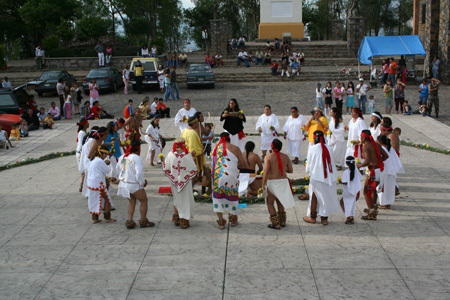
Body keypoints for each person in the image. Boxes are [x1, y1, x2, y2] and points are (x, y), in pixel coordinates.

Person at [116, 140, 155, 229]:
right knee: (144, 201)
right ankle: (143, 220)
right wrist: (142, 183)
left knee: (131, 201)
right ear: (139, 149)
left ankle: (129, 221)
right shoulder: (136, 158)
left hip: (124, 184)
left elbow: (117, 169)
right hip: (133, 184)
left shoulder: (123, 157)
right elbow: (139, 173)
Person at [303, 131, 339, 225]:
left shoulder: (312, 148)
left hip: (317, 176)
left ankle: (312, 217)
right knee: (325, 197)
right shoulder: (329, 148)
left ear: (315, 139)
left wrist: (307, 168)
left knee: (314, 195)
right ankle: (324, 219)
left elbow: (309, 164)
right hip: (330, 177)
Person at [212, 132, 246, 229]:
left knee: (218, 198)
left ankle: (221, 222)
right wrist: (234, 166)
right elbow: (242, 164)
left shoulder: (215, 149)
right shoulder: (235, 148)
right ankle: (233, 221)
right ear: (229, 139)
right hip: (231, 176)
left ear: (220, 139)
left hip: (218, 177)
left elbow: (213, 165)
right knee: (232, 197)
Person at [163, 138, 198, 229]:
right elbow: (193, 169)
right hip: (185, 182)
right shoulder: (187, 155)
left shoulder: (170, 154)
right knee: (185, 199)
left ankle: (176, 216)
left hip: (174, 181)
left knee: (177, 198)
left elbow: (166, 167)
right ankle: (184, 220)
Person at [260, 139, 295, 229]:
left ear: (272, 147)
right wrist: (282, 169)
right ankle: (282, 221)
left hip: (272, 182)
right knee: (280, 202)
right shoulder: (285, 157)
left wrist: (263, 185)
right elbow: (290, 170)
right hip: (283, 182)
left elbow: (266, 172)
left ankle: (276, 224)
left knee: (270, 203)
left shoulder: (268, 157)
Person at [356, 130, 388, 220]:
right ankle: (373, 210)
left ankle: (371, 212)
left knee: (367, 191)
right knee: (373, 191)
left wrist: (358, 166)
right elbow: (386, 156)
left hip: (374, 172)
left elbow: (366, 161)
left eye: (361, 136)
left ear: (363, 137)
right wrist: (378, 162)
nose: (360, 138)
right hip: (381, 170)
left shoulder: (366, 146)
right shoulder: (377, 144)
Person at [87, 145, 116, 224]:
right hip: (98, 184)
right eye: (105, 154)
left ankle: (95, 218)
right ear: (102, 154)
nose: (106, 156)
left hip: (91, 183)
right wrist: (106, 164)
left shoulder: (92, 159)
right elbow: (107, 171)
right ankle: (107, 217)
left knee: (94, 200)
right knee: (107, 200)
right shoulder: (99, 161)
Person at [376, 135, 404, 210]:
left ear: (380, 142)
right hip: (389, 171)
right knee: (385, 188)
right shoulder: (389, 148)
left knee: (383, 188)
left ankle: (385, 203)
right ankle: (383, 201)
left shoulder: (383, 149)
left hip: (386, 171)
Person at [339, 156, 363, 224]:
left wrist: (340, 182)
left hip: (347, 190)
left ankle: (348, 216)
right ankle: (351, 217)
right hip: (354, 190)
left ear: (346, 163)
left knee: (343, 202)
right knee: (352, 204)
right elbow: (360, 179)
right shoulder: (356, 171)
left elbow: (346, 182)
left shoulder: (346, 172)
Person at [76, 118, 89, 191]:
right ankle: (82, 185)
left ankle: (83, 185)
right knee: (84, 169)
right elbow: (81, 143)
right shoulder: (82, 133)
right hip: (81, 152)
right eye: (87, 122)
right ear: (84, 124)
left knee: (85, 169)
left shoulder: (84, 132)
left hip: (82, 152)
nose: (88, 123)